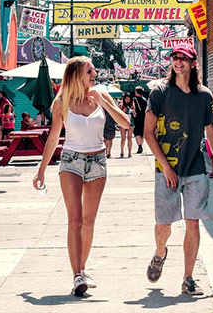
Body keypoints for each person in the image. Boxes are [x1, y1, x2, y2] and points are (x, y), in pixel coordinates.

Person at [32, 56, 131, 297]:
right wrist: (41, 170)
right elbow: (54, 137)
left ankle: (83, 269)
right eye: (90, 71)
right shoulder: (62, 102)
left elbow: (126, 123)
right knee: (74, 220)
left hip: (98, 162)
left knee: (88, 222)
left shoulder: (101, 96)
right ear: (77, 74)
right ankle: (77, 276)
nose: (94, 75)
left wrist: (104, 103)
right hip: (71, 162)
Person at [143, 43, 213, 296]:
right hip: (166, 170)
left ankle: (188, 278)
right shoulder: (159, 92)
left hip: (195, 169)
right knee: (164, 225)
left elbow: (211, 133)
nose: (178, 62)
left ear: (193, 63)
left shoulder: (203, 96)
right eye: (175, 57)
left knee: (193, 223)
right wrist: (166, 167)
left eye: (184, 58)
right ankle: (160, 253)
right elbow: (148, 133)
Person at [132, 86, 148, 154]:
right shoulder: (145, 100)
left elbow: (132, 108)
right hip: (144, 118)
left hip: (136, 118)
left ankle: (140, 146)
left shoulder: (134, 100)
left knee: (137, 132)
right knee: (142, 132)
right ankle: (141, 144)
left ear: (136, 92)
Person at [119, 92, 135, 158]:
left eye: (129, 99)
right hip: (123, 121)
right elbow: (118, 114)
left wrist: (132, 111)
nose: (128, 101)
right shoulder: (121, 105)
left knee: (129, 137)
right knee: (123, 138)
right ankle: (122, 152)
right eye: (126, 99)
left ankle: (129, 153)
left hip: (130, 121)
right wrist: (123, 111)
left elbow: (135, 114)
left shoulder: (132, 105)